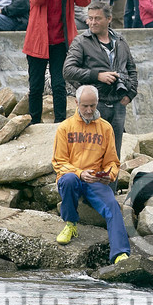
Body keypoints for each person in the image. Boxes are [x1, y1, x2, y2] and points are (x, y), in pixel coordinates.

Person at [51, 85, 130, 264]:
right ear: (76, 103)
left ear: (97, 103)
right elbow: (59, 162)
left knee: (113, 206)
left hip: (95, 181)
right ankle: (71, 224)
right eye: (85, 106)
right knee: (69, 180)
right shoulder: (65, 127)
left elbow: (112, 161)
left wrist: (109, 175)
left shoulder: (106, 128)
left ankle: (120, 253)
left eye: (92, 106)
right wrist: (80, 173)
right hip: (73, 177)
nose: (88, 110)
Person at [60, 1, 136, 154]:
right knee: (92, 153)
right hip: (94, 105)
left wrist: (130, 94)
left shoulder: (120, 40)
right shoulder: (81, 41)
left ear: (109, 19)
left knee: (114, 153)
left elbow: (131, 69)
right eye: (90, 18)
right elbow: (68, 71)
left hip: (119, 103)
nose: (92, 22)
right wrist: (97, 76)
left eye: (97, 18)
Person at [22, 0, 89, 123]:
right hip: (38, 42)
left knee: (59, 85)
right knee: (36, 86)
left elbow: (85, 1)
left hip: (60, 42)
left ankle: (60, 122)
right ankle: (35, 122)